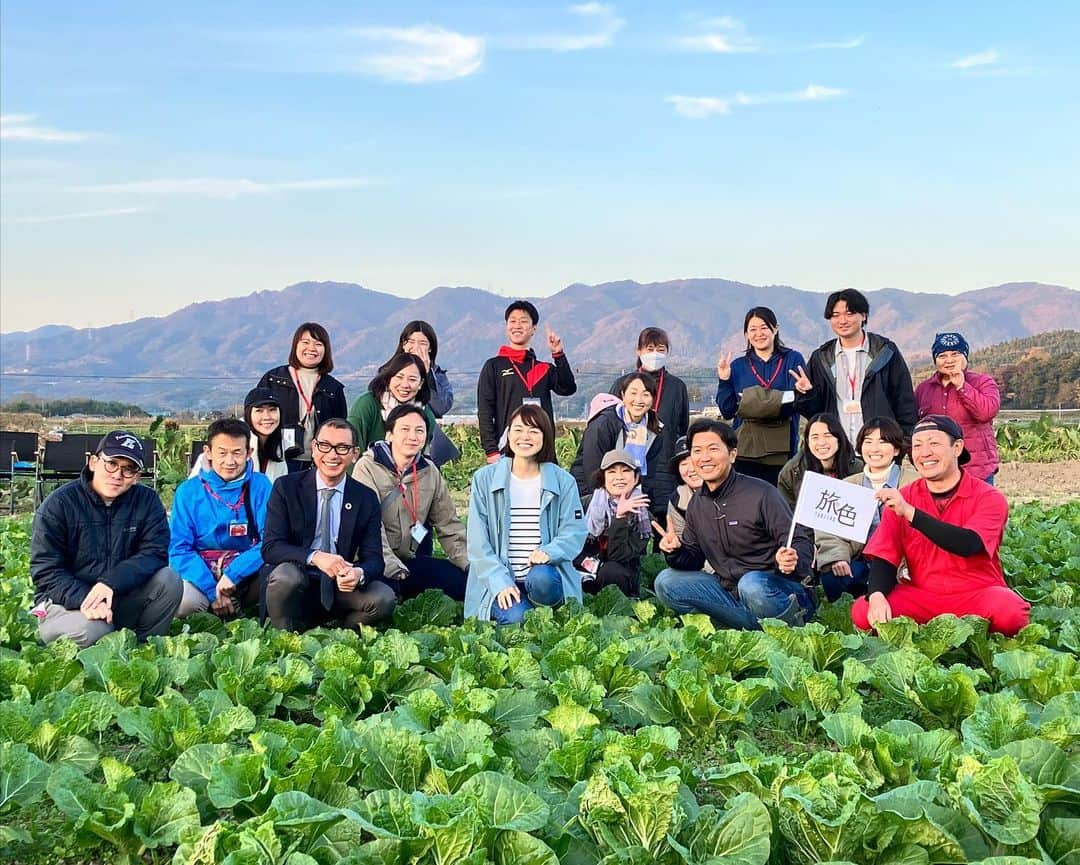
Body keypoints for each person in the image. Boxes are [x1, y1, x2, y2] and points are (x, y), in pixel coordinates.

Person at [851, 415, 1029, 636]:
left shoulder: (988, 497)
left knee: (1010, 612)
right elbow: (885, 556)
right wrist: (876, 594)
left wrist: (910, 513)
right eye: (917, 445)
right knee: (863, 610)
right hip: (923, 596)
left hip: (976, 594)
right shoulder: (905, 496)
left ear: (957, 447)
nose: (924, 452)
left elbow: (969, 543)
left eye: (934, 443)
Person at [653, 419, 814, 629]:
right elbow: (693, 559)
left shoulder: (761, 493)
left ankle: (783, 622)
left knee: (751, 585)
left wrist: (791, 558)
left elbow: (799, 540)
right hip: (730, 590)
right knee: (666, 582)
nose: (705, 458)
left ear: (732, 454)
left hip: (776, 588)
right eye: (697, 450)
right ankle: (754, 626)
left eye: (713, 449)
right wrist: (675, 550)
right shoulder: (697, 505)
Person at [29, 431, 182, 647]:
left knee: (169, 580)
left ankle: (146, 649)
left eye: (129, 469)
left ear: (137, 476)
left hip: (119, 596)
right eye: (111, 463)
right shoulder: (59, 505)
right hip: (66, 603)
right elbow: (46, 570)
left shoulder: (147, 501)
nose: (117, 474)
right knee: (94, 631)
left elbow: (154, 553)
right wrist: (87, 598)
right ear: (93, 462)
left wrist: (110, 584)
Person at [261, 418, 395, 630]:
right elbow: (271, 548)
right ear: (314, 448)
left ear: (354, 454)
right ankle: (282, 636)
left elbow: (375, 559)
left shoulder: (365, 497)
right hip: (299, 578)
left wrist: (358, 574)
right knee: (286, 577)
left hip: (340, 585)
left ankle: (343, 634)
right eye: (325, 446)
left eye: (342, 448)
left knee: (383, 597)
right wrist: (316, 557)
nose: (332, 455)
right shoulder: (286, 488)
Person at [465, 404, 587, 624]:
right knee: (519, 619)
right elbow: (477, 543)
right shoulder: (484, 479)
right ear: (508, 434)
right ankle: (529, 611)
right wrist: (499, 581)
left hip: (544, 575)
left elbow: (574, 531)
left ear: (545, 436)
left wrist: (550, 552)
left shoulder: (563, 481)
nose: (525, 437)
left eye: (534, 431)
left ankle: (547, 609)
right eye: (518, 429)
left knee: (542, 579)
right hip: (502, 578)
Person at [352, 404, 468, 600]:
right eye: (404, 429)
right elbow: (369, 528)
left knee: (463, 581)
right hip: (373, 562)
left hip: (408, 561)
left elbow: (448, 523)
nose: (413, 436)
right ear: (389, 434)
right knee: (386, 597)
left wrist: (469, 564)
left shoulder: (429, 470)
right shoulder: (367, 467)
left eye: (419, 431)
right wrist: (393, 569)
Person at [170, 418, 273, 618]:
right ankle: (214, 609)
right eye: (222, 453)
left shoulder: (261, 486)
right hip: (202, 573)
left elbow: (269, 541)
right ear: (208, 452)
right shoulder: (188, 492)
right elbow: (178, 549)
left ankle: (256, 618)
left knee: (278, 577)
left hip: (248, 573)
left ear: (249, 453)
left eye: (237, 453)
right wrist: (211, 591)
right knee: (185, 603)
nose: (229, 461)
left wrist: (233, 574)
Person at [790, 289, 917, 444]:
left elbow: (904, 401)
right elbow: (813, 412)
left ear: (863, 316)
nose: (842, 320)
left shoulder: (885, 352)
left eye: (849, 313)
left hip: (879, 447)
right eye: (835, 315)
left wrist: (902, 441)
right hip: (837, 448)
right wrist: (806, 394)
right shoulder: (822, 357)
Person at [815, 417, 919, 601]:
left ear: (896, 449)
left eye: (883, 442)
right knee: (833, 577)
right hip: (862, 560)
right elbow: (829, 530)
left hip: (901, 563)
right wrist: (838, 557)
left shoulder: (915, 482)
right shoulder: (848, 484)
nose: (874, 449)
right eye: (868, 441)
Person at [715, 307, 807, 486]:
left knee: (779, 504)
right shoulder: (738, 366)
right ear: (746, 334)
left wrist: (749, 402)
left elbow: (795, 404)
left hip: (783, 451)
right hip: (746, 453)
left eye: (764, 327)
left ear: (775, 328)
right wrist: (725, 379)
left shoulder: (792, 359)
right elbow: (728, 410)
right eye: (753, 329)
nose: (759, 333)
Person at [477, 300, 577, 462]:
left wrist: (558, 355)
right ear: (506, 326)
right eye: (513, 321)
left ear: (533, 329)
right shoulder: (494, 366)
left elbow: (568, 388)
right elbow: (485, 410)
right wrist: (491, 450)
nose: (517, 325)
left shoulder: (544, 368)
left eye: (523, 321)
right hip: (508, 450)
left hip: (543, 450)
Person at [609, 327, 689, 525]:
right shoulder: (622, 383)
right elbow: (611, 422)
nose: (655, 354)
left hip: (664, 464)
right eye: (650, 348)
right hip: (627, 463)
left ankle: (659, 556)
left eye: (661, 349)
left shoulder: (677, 386)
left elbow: (682, 427)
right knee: (627, 516)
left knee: (663, 517)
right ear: (639, 351)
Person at [915, 332, 1001, 484]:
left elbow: (986, 413)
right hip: (938, 469)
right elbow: (915, 427)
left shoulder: (983, 382)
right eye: (942, 356)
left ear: (965, 357)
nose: (949, 360)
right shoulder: (924, 389)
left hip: (977, 469)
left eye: (955, 354)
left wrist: (962, 386)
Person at [258, 322, 348, 463]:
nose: (311, 348)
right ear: (295, 346)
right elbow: (254, 415)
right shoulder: (273, 379)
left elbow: (340, 427)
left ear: (326, 350)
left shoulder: (333, 387)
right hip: (277, 458)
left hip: (319, 461)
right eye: (305, 342)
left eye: (318, 344)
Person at [570, 371, 664, 504]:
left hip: (630, 494)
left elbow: (648, 476)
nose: (639, 400)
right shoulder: (603, 424)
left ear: (653, 399)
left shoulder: (654, 430)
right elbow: (592, 469)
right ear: (623, 395)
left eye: (646, 394)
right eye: (633, 393)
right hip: (590, 492)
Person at [574, 449, 652, 598]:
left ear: (635, 478)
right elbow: (571, 543)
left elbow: (618, 556)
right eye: (612, 472)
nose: (619, 477)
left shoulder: (642, 516)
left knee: (611, 570)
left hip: (617, 577)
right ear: (602, 477)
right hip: (583, 569)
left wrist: (621, 517)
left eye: (625, 471)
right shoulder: (585, 504)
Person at [190, 387, 288, 483]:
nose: (267, 417)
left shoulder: (280, 446)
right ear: (248, 414)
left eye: (272, 410)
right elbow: (194, 491)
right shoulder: (230, 442)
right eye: (259, 411)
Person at [348, 353, 439, 451]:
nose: (405, 385)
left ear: (420, 383)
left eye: (412, 379)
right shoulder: (367, 404)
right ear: (389, 379)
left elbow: (424, 457)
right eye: (399, 377)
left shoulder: (425, 414)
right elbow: (351, 450)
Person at [778, 413, 864, 509]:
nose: (821, 442)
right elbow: (786, 514)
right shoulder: (792, 471)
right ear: (807, 441)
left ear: (839, 439)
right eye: (815, 437)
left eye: (827, 436)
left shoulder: (858, 468)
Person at [664, 436, 713, 576]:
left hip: (739, 568)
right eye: (684, 464)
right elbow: (684, 552)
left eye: (694, 461)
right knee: (666, 579)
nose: (691, 469)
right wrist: (674, 551)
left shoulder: (730, 491)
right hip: (701, 566)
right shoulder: (678, 499)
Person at [386, 320, 455, 418]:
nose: (416, 348)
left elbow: (440, 408)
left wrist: (427, 375)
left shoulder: (438, 375)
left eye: (422, 343)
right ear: (403, 345)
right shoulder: (387, 371)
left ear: (430, 348)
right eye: (411, 341)